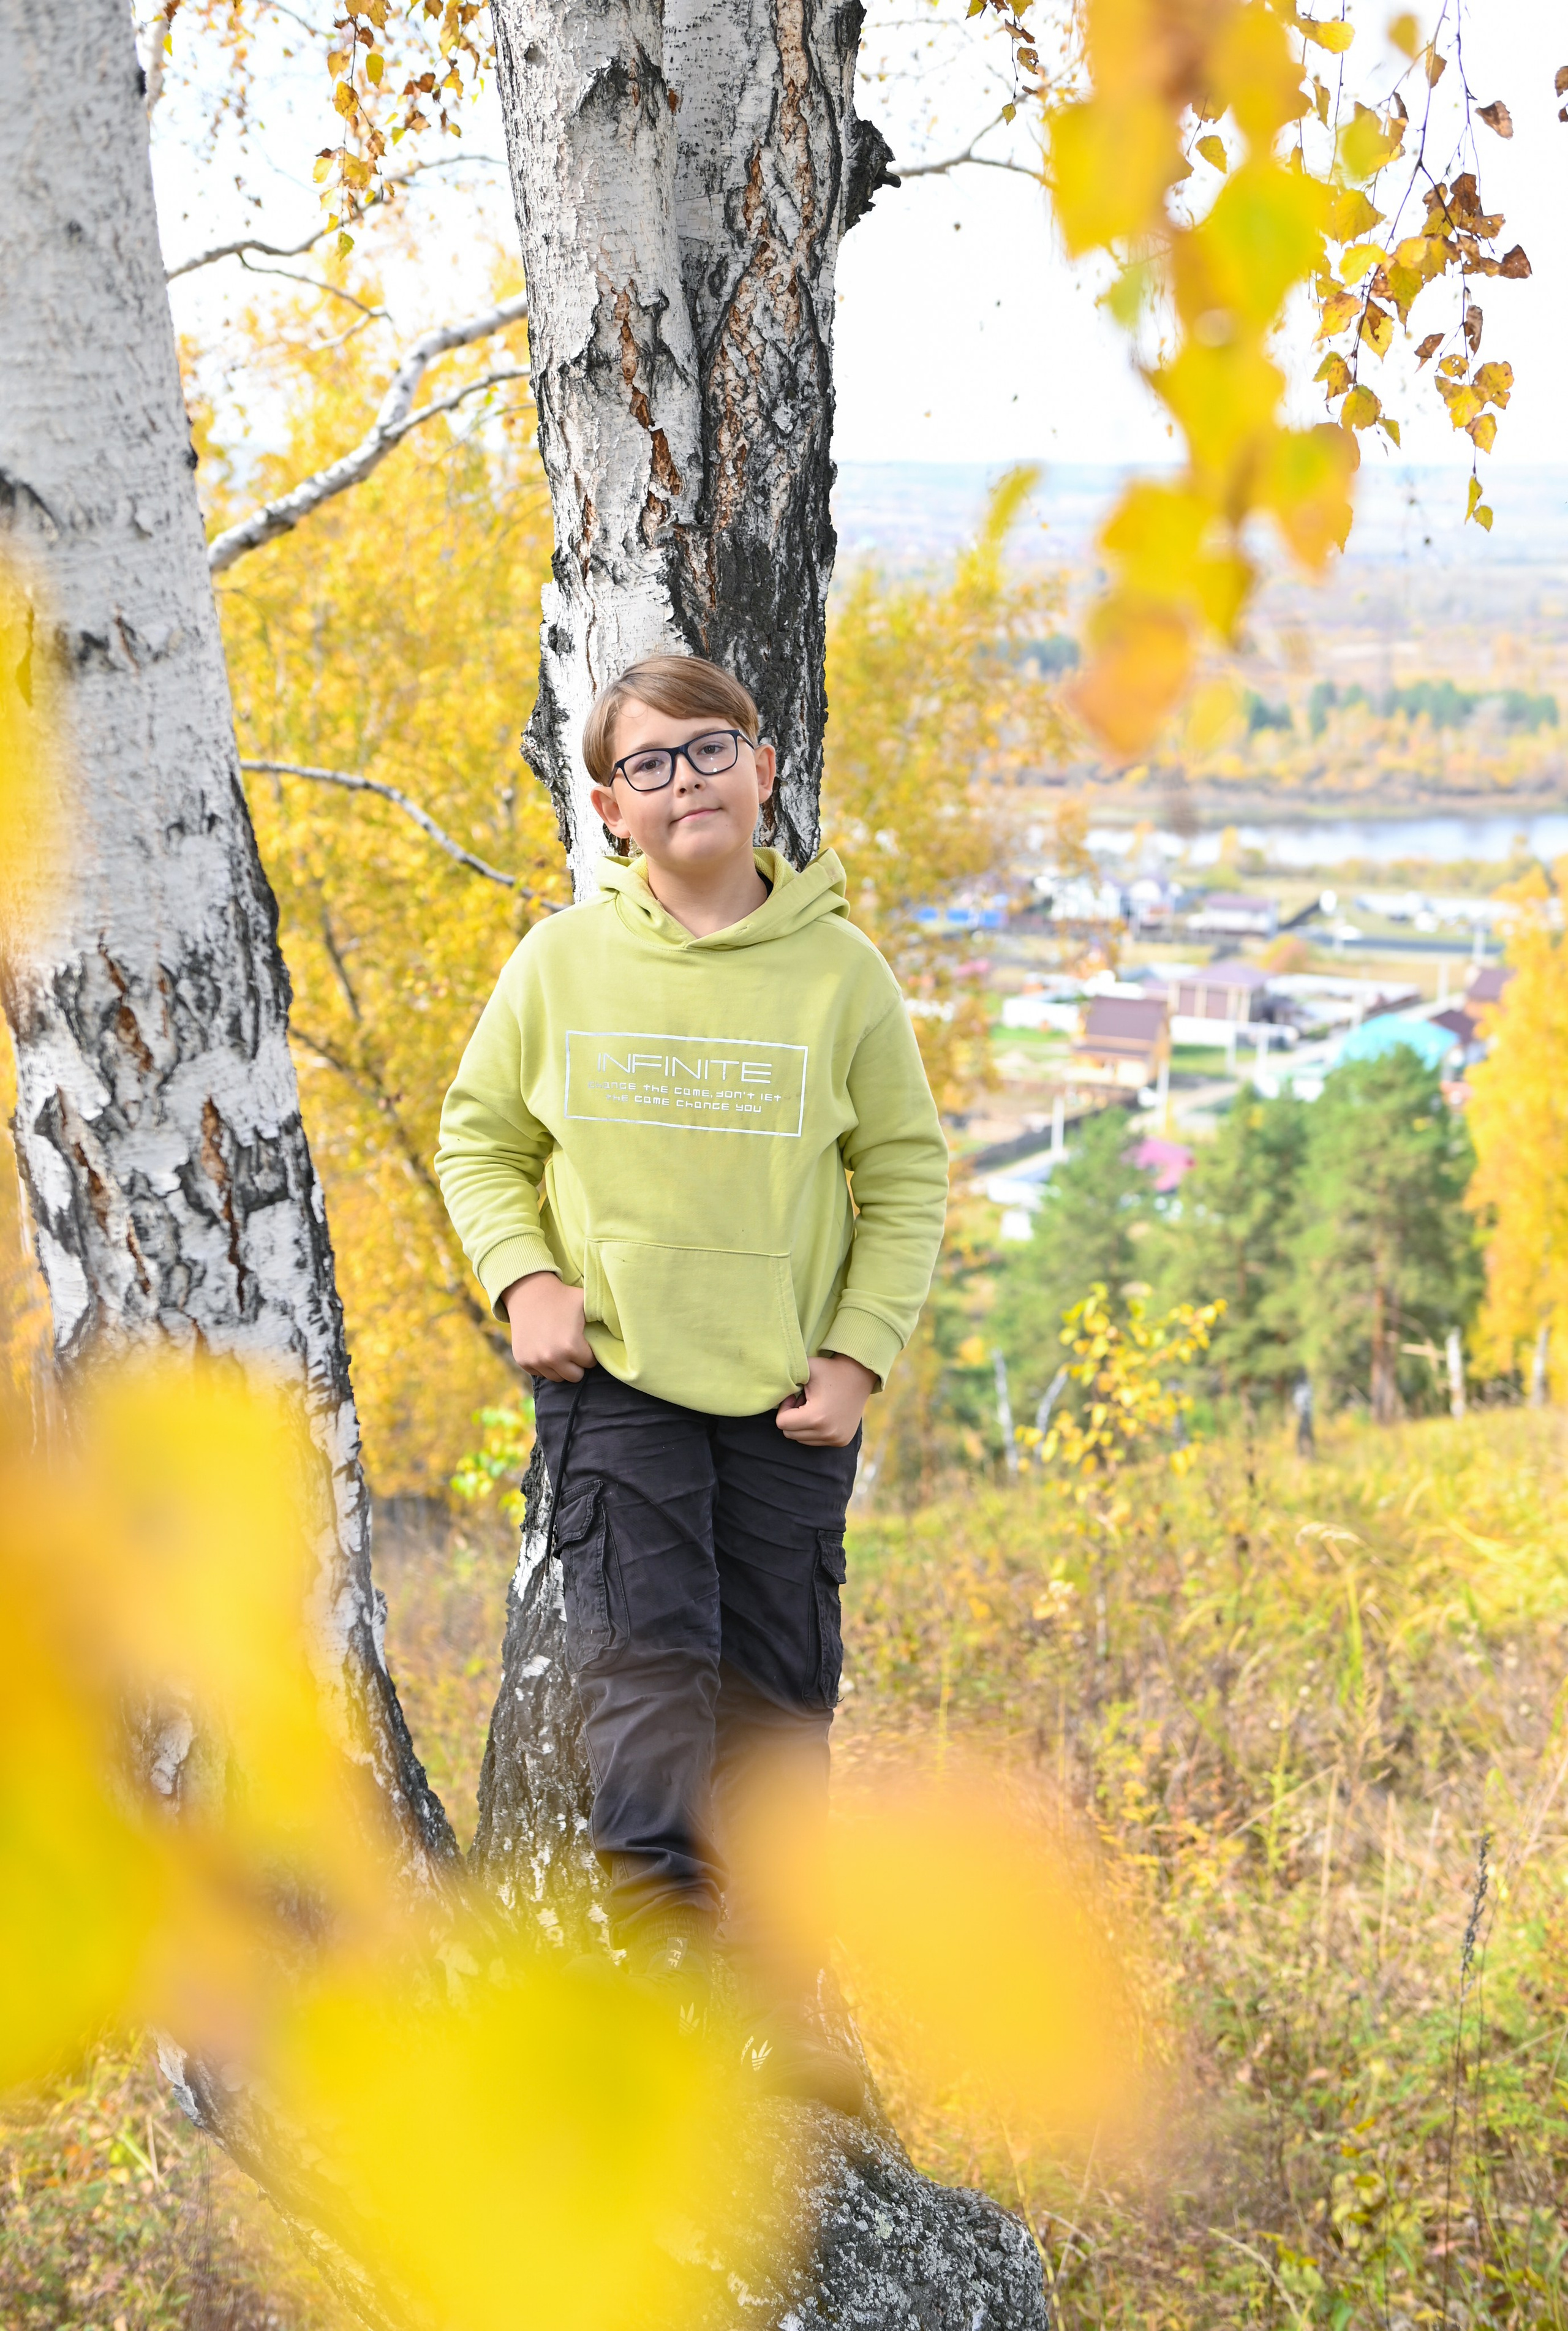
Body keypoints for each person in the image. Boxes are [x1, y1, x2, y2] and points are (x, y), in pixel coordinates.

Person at [434, 652, 948, 2111]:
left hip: (790, 1401)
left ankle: (779, 2016)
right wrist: (526, 1282)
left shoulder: (840, 975)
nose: (683, 782)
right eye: (647, 766)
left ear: (764, 766)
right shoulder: (559, 964)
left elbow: (904, 1176)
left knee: (779, 1702)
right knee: (650, 1681)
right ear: (607, 808)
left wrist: (856, 1359)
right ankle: (663, 1995)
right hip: (619, 1386)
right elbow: (481, 1142)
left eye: (707, 750)